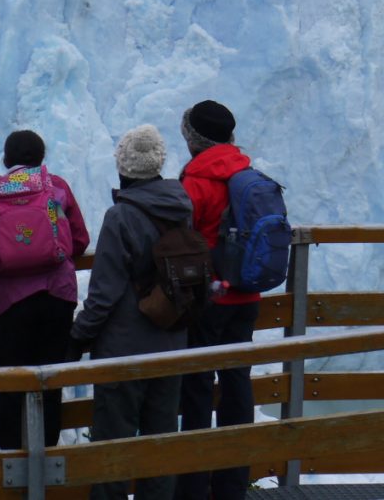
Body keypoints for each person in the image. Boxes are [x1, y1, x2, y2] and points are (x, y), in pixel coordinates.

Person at [68, 125, 192, 500]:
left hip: (123, 352)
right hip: (171, 345)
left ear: (123, 166)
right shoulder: (182, 207)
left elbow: (103, 294)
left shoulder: (120, 216)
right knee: (160, 444)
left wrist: (79, 335)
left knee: (113, 448)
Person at [0, 130, 89, 449]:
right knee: (49, 380)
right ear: (41, 157)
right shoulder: (57, 187)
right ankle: (46, 458)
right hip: (57, 297)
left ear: (7, 158)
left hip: (11, 303)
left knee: (11, 380)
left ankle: (11, 463)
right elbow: (80, 239)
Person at [174, 100, 260, 500]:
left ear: (195, 141)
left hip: (207, 298)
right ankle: (232, 486)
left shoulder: (196, 179)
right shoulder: (246, 173)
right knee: (237, 383)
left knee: (196, 387)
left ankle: (192, 486)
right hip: (246, 294)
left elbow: (179, 234)